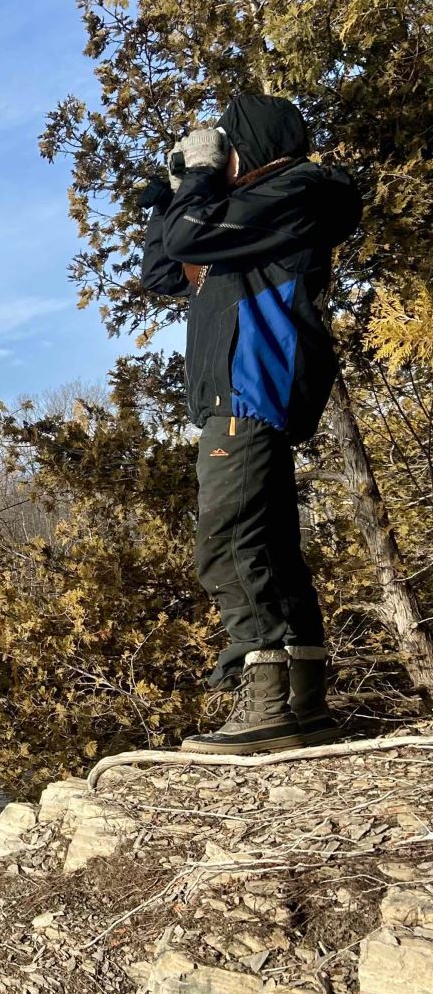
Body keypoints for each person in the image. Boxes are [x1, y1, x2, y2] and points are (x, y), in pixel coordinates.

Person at [139, 93, 362, 754]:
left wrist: (199, 182)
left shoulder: (294, 190)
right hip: (239, 396)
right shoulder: (243, 222)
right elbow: (163, 268)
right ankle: (305, 704)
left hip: (250, 388)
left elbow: (189, 236)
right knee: (270, 547)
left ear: (252, 149)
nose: (218, 160)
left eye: (224, 149)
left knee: (228, 544)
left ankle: (264, 706)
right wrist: (168, 196)